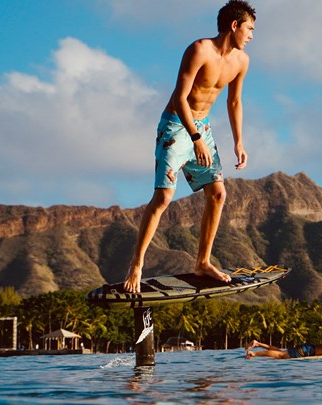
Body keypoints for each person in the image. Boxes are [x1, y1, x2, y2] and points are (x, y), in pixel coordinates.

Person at [123, 1, 256, 293]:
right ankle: (136, 263)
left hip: (202, 127)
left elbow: (234, 102)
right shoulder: (199, 50)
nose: (251, 36)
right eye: (249, 29)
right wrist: (195, 139)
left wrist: (238, 142)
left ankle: (203, 262)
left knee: (218, 194)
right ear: (234, 25)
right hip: (175, 126)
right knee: (163, 198)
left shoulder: (241, 61)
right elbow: (181, 97)